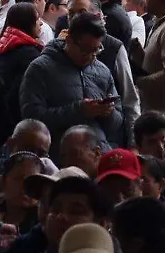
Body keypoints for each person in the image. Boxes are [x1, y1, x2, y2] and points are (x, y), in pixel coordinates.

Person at [19, 14, 122, 157]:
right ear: (69, 40)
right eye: (85, 50)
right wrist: (78, 111)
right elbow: (32, 118)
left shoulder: (103, 71)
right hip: (59, 156)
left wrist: (109, 113)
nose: (91, 56)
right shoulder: (41, 68)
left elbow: (117, 124)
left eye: (96, 50)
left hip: (98, 153)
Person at [0, 4, 45, 127]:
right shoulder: (29, 54)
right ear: (27, 23)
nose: (41, 23)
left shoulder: (5, 46)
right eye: (37, 19)